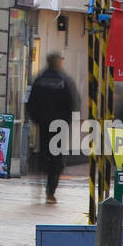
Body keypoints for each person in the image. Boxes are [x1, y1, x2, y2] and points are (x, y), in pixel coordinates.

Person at [26, 53, 78, 203]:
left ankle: (40, 183)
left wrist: (37, 119)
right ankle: (50, 192)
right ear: (57, 63)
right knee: (56, 158)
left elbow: (31, 102)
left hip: (43, 124)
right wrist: (66, 120)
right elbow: (71, 102)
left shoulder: (39, 79)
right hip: (59, 125)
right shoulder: (64, 81)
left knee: (43, 153)